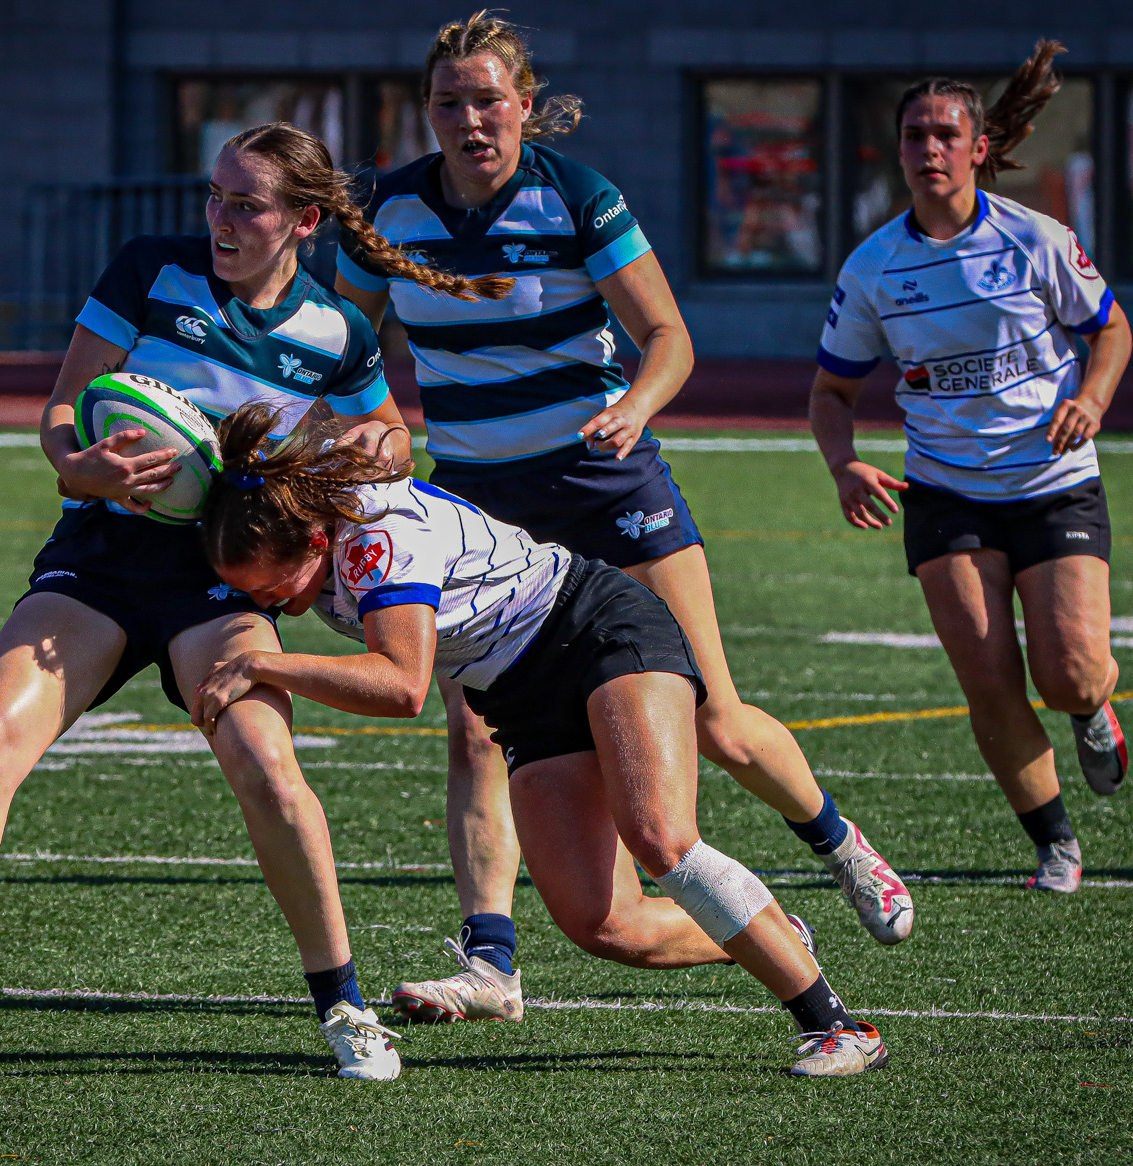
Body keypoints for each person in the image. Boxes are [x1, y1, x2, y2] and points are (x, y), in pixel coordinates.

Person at [0, 122, 502, 1078]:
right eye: (214, 195)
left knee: (266, 766)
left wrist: (371, 448)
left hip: (221, 580)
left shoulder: (335, 330)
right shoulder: (148, 271)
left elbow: (390, 441)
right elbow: (61, 410)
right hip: (102, 554)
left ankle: (345, 1011)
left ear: (301, 220)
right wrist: (78, 466)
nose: (219, 217)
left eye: (245, 203)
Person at [331, 11, 912, 1025]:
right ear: (427, 113)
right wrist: (372, 430)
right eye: (447, 104)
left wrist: (634, 406)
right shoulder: (386, 212)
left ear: (522, 104)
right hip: (480, 506)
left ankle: (838, 846)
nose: (469, 120)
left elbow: (667, 334)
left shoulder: (575, 197)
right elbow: (348, 349)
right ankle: (492, 962)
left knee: (717, 718)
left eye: (486, 100)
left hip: (609, 488)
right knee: (473, 736)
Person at [182, 402, 887, 1075]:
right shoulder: (299, 516)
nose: (270, 607)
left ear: (314, 539)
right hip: (522, 692)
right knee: (604, 924)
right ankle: (773, 934)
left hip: (592, 630)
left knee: (661, 838)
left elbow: (402, 686)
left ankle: (840, 1025)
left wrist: (262, 661)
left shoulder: (373, 540)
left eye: (276, 590)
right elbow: (375, 445)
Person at [808, 42, 1132, 895]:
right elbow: (832, 392)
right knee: (989, 683)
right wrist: (844, 466)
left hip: (1052, 479)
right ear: (900, 148)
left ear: (979, 146)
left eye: (946, 134)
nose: (930, 150)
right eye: (915, 135)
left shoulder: (1036, 238)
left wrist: (1092, 400)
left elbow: (1112, 330)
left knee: (1067, 673)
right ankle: (1055, 844)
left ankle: (1096, 705)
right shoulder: (873, 266)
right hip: (946, 491)